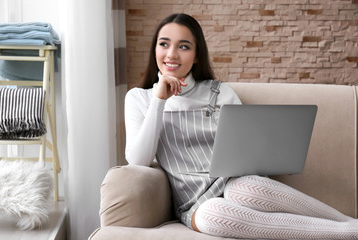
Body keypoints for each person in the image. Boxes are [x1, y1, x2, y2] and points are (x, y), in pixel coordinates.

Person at [124, 13, 358, 239]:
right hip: (195, 202)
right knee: (214, 214)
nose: (171, 54)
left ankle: (351, 225)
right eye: (164, 44)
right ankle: (348, 232)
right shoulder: (140, 98)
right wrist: (160, 100)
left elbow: (248, 151)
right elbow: (138, 160)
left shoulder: (219, 92)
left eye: (184, 46)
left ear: (196, 56)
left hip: (236, 183)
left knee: (244, 189)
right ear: (155, 49)